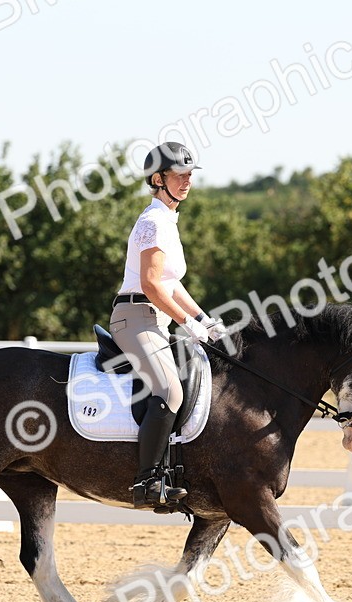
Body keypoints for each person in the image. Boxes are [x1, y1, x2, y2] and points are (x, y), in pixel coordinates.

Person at [110, 142, 225, 509]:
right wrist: (187, 322)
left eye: (190, 175)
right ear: (158, 179)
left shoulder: (168, 221)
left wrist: (205, 319)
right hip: (135, 317)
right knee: (170, 391)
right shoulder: (153, 221)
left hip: (155, 318)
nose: (187, 181)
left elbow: (173, 284)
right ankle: (147, 482)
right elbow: (151, 284)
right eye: (179, 175)